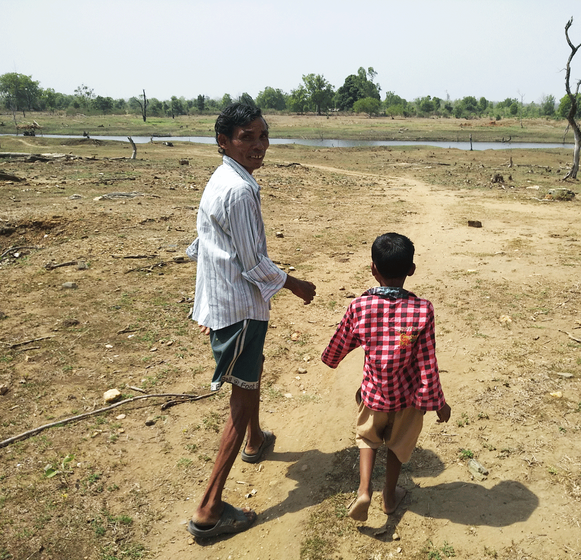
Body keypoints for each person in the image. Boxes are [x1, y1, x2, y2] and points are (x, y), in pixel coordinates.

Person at [185, 100, 316, 539]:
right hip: (239, 310)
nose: (259, 145)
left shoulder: (226, 177)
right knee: (239, 404)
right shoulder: (238, 189)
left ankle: (257, 442)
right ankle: (208, 508)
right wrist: (296, 285)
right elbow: (254, 263)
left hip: (229, 305)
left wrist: (208, 301)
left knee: (250, 373)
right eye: (247, 137)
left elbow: (203, 243)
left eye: (263, 136)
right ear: (224, 141)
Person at [321, 232, 451, 522]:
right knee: (396, 444)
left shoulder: (360, 307)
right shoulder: (422, 310)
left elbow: (339, 343)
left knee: (367, 439)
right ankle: (389, 497)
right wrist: (438, 403)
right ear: (411, 270)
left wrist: (331, 359)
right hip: (407, 398)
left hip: (372, 394)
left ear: (373, 268)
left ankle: (364, 491)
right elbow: (428, 362)